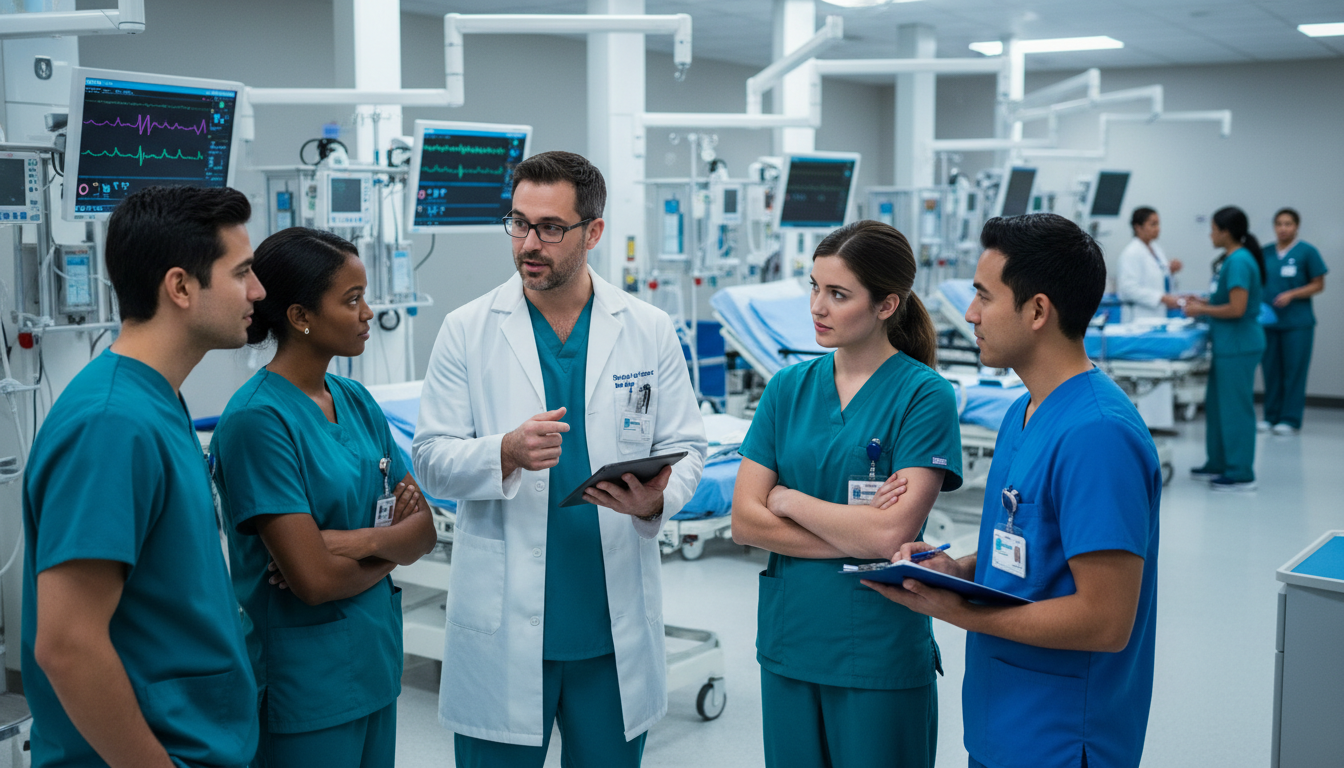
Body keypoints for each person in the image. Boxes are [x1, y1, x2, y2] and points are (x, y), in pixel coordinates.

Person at [412, 150, 706, 766]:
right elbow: (432, 459)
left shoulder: (647, 328)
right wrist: (505, 452)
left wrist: (658, 499)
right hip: (504, 622)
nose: (528, 243)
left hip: (609, 625)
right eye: (518, 223)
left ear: (593, 232)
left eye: (550, 228)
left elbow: (692, 447)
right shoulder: (467, 329)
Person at [867, 213, 1162, 768]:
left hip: (1063, 736)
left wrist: (958, 613)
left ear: (1037, 311)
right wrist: (956, 569)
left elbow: (1106, 620)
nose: (970, 314)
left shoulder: (1097, 435)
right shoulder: (1021, 413)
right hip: (1003, 718)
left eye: (983, 296)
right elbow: (1026, 546)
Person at [21, 186, 264, 766]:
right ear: (180, 287)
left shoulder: (157, 401)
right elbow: (67, 644)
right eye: (243, 272)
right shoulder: (111, 424)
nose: (259, 291)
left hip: (197, 738)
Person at [731, 220, 963, 768]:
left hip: (877, 643)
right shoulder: (788, 387)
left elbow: (891, 533)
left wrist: (787, 501)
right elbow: (744, 522)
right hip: (791, 642)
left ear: (887, 305)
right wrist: (861, 534)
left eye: (838, 294)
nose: (818, 306)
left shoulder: (924, 396)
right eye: (814, 287)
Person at [211, 228, 438, 767]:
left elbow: (425, 530)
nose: (368, 312)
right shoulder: (257, 421)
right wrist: (388, 549)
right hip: (305, 686)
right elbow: (312, 582)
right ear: (299, 316)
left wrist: (345, 542)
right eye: (352, 299)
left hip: (375, 666)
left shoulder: (355, 399)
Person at [1184, 206, 1265, 491]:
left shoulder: (1240, 261)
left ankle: (1241, 472)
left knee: (1235, 409)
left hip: (1240, 344)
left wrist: (1202, 309)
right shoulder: (1230, 260)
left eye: (1214, 229)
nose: (1210, 234)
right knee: (1218, 407)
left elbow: (1237, 308)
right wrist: (1203, 302)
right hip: (1228, 344)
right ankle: (1218, 462)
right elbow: (1226, 297)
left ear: (1225, 231)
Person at [1259, 207, 1327, 435]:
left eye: (1288, 224)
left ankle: (1289, 419)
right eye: (1279, 224)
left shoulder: (1307, 252)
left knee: (1294, 371)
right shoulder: (1265, 252)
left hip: (1297, 323)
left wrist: (1292, 294)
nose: (1283, 228)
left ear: (1296, 227)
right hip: (1269, 323)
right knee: (1271, 371)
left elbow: (1318, 284)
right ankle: (1271, 417)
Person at [1116, 206, 1183, 322]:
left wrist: (1170, 271)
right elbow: (1128, 289)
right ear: (1138, 227)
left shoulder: (1156, 249)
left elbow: (1157, 279)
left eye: (1158, 224)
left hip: (1157, 315)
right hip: (1138, 318)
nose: (1158, 229)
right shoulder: (1131, 253)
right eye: (1153, 224)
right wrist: (1161, 298)